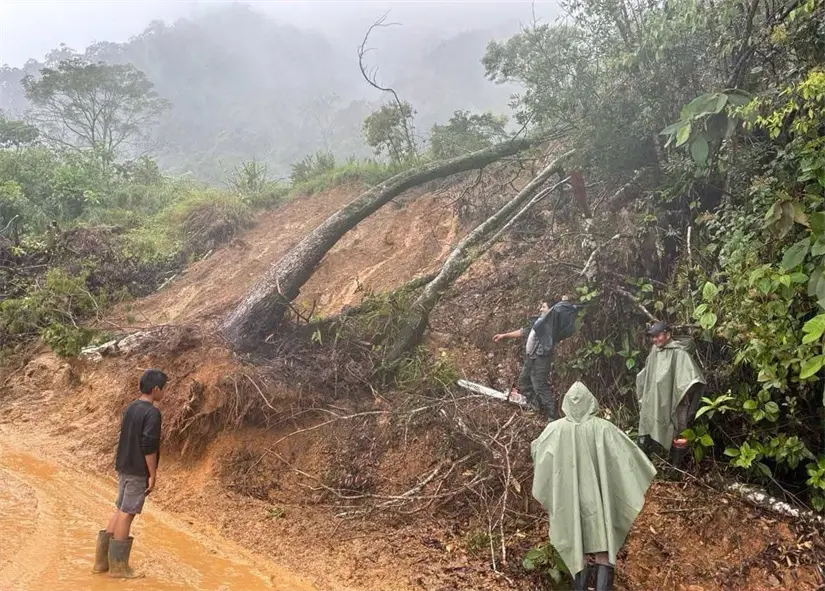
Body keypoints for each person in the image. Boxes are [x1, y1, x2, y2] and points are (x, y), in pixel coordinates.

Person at [531, 382, 656, 590]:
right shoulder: (604, 428)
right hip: (600, 500)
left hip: (569, 501)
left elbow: (538, 452)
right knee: (604, 550)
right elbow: (629, 456)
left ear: (566, 403)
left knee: (576, 548)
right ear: (591, 401)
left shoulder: (554, 430)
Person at [93, 368, 168, 578]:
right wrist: (152, 474)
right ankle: (118, 567)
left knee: (120, 509)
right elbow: (149, 446)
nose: (165, 393)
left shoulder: (131, 407)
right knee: (128, 513)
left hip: (124, 465)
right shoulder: (152, 413)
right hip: (137, 469)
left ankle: (101, 563)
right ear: (156, 389)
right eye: (164, 389)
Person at [493, 295, 580, 419]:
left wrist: (564, 301)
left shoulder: (551, 325)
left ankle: (552, 416)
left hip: (541, 359)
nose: (541, 309)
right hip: (531, 358)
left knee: (540, 386)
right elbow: (523, 331)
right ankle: (535, 406)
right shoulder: (538, 321)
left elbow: (561, 308)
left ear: (550, 310)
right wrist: (504, 335)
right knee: (523, 382)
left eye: (543, 307)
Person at [635, 322, 706, 469]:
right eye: (652, 337)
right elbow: (647, 373)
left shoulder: (680, 353)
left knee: (678, 431)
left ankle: (676, 468)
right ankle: (649, 464)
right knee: (650, 424)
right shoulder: (655, 351)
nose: (655, 339)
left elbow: (693, 379)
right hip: (656, 399)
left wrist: (678, 393)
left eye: (658, 336)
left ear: (668, 334)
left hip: (676, 402)